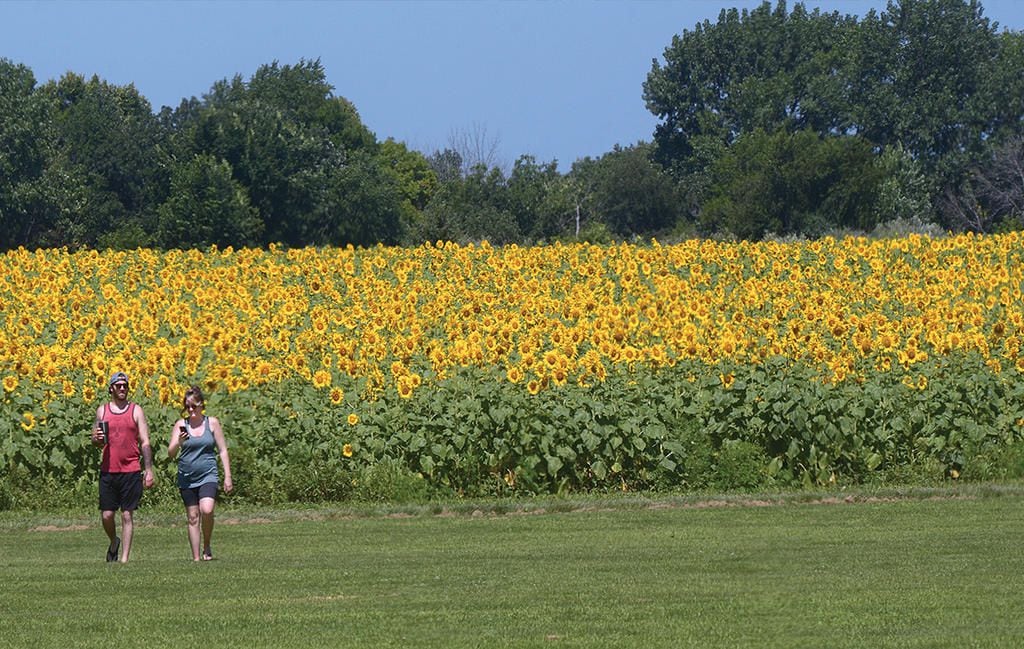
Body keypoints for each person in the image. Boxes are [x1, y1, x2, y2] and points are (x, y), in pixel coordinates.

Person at [90, 371, 155, 563]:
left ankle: (124, 560)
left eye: (125, 385)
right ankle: (113, 542)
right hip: (109, 469)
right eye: (118, 385)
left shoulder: (136, 410)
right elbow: (97, 439)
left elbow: (144, 441)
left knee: (127, 515)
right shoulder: (103, 411)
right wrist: (96, 439)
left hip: (131, 469)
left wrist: (148, 469)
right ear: (111, 388)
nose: (122, 388)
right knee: (107, 515)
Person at [167, 385, 233, 561]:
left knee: (207, 509)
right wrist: (178, 442)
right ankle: (196, 558)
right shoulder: (181, 425)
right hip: (187, 477)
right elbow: (171, 453)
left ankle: (207, 544)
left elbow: (223, 450)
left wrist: (227, 476)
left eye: (194, 406)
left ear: (201, 405)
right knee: (193, 516)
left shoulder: (212, 423)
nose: (190, 410)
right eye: (187, 406)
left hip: (208, 474)